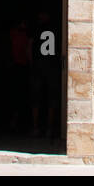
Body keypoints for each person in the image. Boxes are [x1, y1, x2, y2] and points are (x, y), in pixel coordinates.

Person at [30, 8, 61, 139]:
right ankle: (50, 128)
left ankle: (35, 127)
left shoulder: (37, 29)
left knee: (36, 98)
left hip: (39, 65)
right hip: (52, 66)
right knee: (51, 98)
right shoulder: (56, 29)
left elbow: (29, 46)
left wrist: (31, 63)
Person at [8, 16, 32, 132]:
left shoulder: (26, 35)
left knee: (22, 95)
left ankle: (19, 122)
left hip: (23, 67)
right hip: (16, 66)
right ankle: (14, 121)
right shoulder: (14, 34)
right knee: (16, 95)